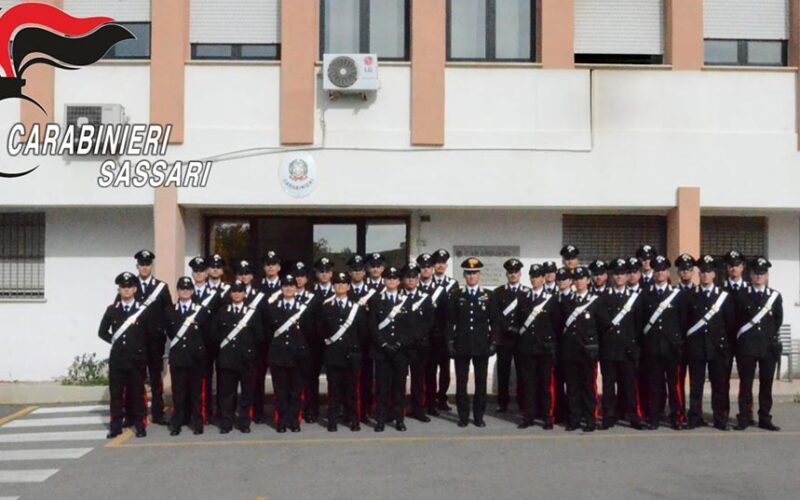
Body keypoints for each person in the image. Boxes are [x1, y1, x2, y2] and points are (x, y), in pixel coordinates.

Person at [685, 255, 736, 430]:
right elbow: (685, 321)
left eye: (708, 271)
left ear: (714, 274)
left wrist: (724, 345)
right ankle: (695, 417)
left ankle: (720, 418)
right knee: (696, 385)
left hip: (717, 348)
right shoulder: (691, 295)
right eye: (702, 272)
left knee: (719, 386)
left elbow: (730, 323)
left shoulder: (723, 297)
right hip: (696, 347)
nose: (705, 275)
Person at [99, 272, 151, 438]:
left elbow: (149, 334)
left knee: (137, 394)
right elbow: (102, 332)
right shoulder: (112, 310)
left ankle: (140, 425)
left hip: (136, 360)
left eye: (129, 287)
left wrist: (140, 350)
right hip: (118, 360)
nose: (126, 290)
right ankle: (115, 427)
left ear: (135, 289)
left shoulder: (142, 310)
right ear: (119, 289)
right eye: (123, 287)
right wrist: (116, 342)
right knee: (116, 396)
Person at [733, 257, 782, 431]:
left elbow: (777, 320)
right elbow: (736, 320)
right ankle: (744, 416)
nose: (759, 276)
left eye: (762, 273)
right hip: (747, 346)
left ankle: (765, 418)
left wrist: (768, 338)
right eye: (755, 273)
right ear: (750, 275)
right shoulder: (741, 295)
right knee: (745, 384)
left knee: (766, 384)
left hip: (767, 347)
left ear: (767, 276)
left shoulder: (774, 297)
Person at [597, 258, 646, 430]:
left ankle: (633, 416)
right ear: (612, 276)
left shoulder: (635, 298)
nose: (619, 277)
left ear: (627, 277)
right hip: (609, 349)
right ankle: (609, 416)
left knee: (630, 386)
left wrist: (635, 347)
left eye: (622, 274)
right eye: (616, 274)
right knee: (609, 386)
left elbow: (639, 325)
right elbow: (601, 324)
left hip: (628, 349)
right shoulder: (603, 297)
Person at [447, 258, 496, 428]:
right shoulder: (456, 295)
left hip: (481, 346)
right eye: (468, 273)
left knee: (480, 384)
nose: (472, 276)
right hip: (462, 346)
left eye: (475, 273)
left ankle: (478, 416)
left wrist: (493, 343)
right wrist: (450, 342)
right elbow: (449, 321)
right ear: (464, 275)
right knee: (461, 383)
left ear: (479, 275)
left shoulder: (488, 295)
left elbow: (495, 322)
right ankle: (462, 416)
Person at [640, 256, 686, 430]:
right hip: (652, 347)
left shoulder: (677, 295)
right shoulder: (646, 294)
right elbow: (641, 321)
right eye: (657, 270)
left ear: (668, 273)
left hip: (671, 348)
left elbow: (682, 321)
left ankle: (676, 416)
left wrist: (677, 342)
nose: (660, 273)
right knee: (654, 384)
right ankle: (655, 416)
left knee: (673, 385)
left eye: (663, 270)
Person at [212, 280, 263, 434]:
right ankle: (226, 422)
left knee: (247, 393)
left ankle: (244, 422)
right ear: (230, 293)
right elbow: (214, 334)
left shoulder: (252, 312)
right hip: (227, 359)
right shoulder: (222, 311)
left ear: (244, 293)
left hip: (246, 359)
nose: (237, 294)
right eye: (234, 291)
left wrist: (250, 351)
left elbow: (259, 335)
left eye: (240, 291)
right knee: (227, 392)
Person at [319, 272, 367, 432]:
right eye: (337, 283)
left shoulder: (356, 308)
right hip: (333, 355)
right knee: (334, 390)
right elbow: (321, 331)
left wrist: (354, 349)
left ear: (348, 286)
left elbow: (362, 333)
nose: (340, 286)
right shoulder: (326, 307)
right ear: (333, 287)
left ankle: (353, 419)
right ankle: (332, 421)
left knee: (351, 390)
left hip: (351, 355)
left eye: (343, 283)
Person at [515, 263, 560, 429]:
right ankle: (529, 416)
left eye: (538, 276)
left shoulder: (551, 299)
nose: (535, 279)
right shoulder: (523, 298)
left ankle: (548, 417)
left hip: (544, 349)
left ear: (543, 278)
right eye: (532, 276)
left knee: (545, 385)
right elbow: (519, 322)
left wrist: (552, 346)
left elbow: (556, 324)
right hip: (527, 348)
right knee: (529, 384)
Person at [268, 275, 313, 433]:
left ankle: (294, 421)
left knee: (295, 391)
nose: (288, 288)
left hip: (298, 356)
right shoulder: (273, 307)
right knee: (281, 391)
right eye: (285, 285)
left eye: (291, 285)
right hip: (279, 355)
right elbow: (267, 333)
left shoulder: (304, 309)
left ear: (296, 288)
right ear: (281, 288)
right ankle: (281, 421)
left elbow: (309, 332)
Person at [132, 249, 172, 426]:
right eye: (142, 264)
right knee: (136, 379)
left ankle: (158, 413)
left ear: (152, 266)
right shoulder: (129, 286)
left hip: (155, 342)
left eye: (147, 264)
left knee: (156, 379)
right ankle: (137, 413)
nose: (144, 267)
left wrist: (164, 331)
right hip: (137, 341)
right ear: (137, 266)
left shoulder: (161, 287)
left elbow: (169, 312)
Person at [166, 276, 210, 436]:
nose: (185, 291)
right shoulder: (170, 310)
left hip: (195, 359)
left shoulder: (201, 311)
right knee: (178, 393)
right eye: (181, 289)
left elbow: (206, 335)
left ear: (192, 291)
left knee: (196, 394)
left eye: (187, 289)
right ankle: (176, 423)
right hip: (178, 358)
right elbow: (170, 334)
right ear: (177, 291)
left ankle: (197, 423)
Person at [369, 267, 411, 432]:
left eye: (394, 279)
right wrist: (384, 344)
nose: (391, 281)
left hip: (401, 352)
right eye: (388, 279)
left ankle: (399, 419)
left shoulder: (406, 300)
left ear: (399, 281)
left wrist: (400, 343)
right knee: (381, 388)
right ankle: (380, 419)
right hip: (382, 352)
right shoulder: (376, 300)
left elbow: (410, 327)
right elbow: (372, 326)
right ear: (384, 281)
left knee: (399, 388)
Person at [560, 266, 601, 432]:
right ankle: (574, 419)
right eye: (576, 279)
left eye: (582, 278)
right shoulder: (567, 301)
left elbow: (601, 326)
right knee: (572, 388)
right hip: (570, 351)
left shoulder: (596, 300)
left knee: (588, 388)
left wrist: (596, 347)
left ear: (588, 280)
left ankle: (591, 419)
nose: (579, 281)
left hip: (587, 352)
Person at [491, 258, 528, 413]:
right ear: (506, 274)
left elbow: (528, 314)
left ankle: (522, 401)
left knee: (523, 371)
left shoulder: (526, 292)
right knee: (503, 371)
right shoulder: (498, 292)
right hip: (505, 339)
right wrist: (508, 327)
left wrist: (519, 328)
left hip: (521, 338)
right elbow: (496, 316)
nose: (513, 275)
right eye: (510, 272)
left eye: (516, 272)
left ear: (520, 274)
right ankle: (502, 402)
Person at [424, 250, 458, 413]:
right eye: (437, 262)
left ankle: (442, 398)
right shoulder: (424, 282)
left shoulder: (452, 284)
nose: (440, 265)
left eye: (443, 262)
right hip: (429, 333)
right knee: (430, 369)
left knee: (445, 369)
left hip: (445, 333)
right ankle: (429, 399)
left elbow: (453, 311)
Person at [400, 263, 434, 422]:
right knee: (399, 380)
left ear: (418, 279)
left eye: (413, 277)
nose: (411, 280)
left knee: (418, 380)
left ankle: (418, 410)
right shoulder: (396, 296)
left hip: (419, 345)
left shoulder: (425, 298)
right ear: (403, 279)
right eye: (408, 277)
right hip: (401, 346)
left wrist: (416, 336)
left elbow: (429, 321)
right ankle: (398, 409)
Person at [347, 254, 377, 422]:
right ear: (349, 273)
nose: (357, 273)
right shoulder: (343, 289)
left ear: (364, 272)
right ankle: (348, 410)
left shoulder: (372, 293)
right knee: (348, 379)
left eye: (360, 270)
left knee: (366, 378)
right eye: (354, 270)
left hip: (366, 343)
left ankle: (364, 410)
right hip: (347, 343)